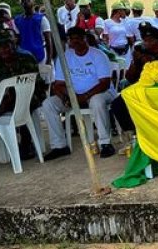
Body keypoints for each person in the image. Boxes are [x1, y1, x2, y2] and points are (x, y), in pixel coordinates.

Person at [42, 28, 117, 160]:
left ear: (85, 38)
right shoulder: (64, 57)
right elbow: (58, 84)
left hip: (100, 92)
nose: (75, 41)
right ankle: (59, 146)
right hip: (74, 96)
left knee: (97, 101)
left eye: (78, 38)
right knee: (48, 104)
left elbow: (104, 83)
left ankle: (105, 143)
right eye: (71, 39)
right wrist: (65, 97)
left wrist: (84, 96)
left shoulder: (98, 55)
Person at [0, 29, 47, 159]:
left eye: (5, 46)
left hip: (29, 97)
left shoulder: (26, 58)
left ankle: (26, 143)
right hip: (1, 99)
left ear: (13, 44)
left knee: (23, 104)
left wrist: (11, 96)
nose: (3, 50)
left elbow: (35, 84)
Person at [111, 23, 158, 132]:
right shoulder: (140, 54)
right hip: (140, 90)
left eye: (151, 39)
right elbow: (129, 78)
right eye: (145, 39)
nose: (147, 42)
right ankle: (134, 132)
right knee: (117, 104)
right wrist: (136, 62)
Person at [14, 0, 52, 65]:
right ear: (20, 2)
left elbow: (48, 40)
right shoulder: (17, 19)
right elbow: (17, 38)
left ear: (33, 2)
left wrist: (49, 59)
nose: (25, 1)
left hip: (40, 55)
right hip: (24, 56)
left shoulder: (41, 19)